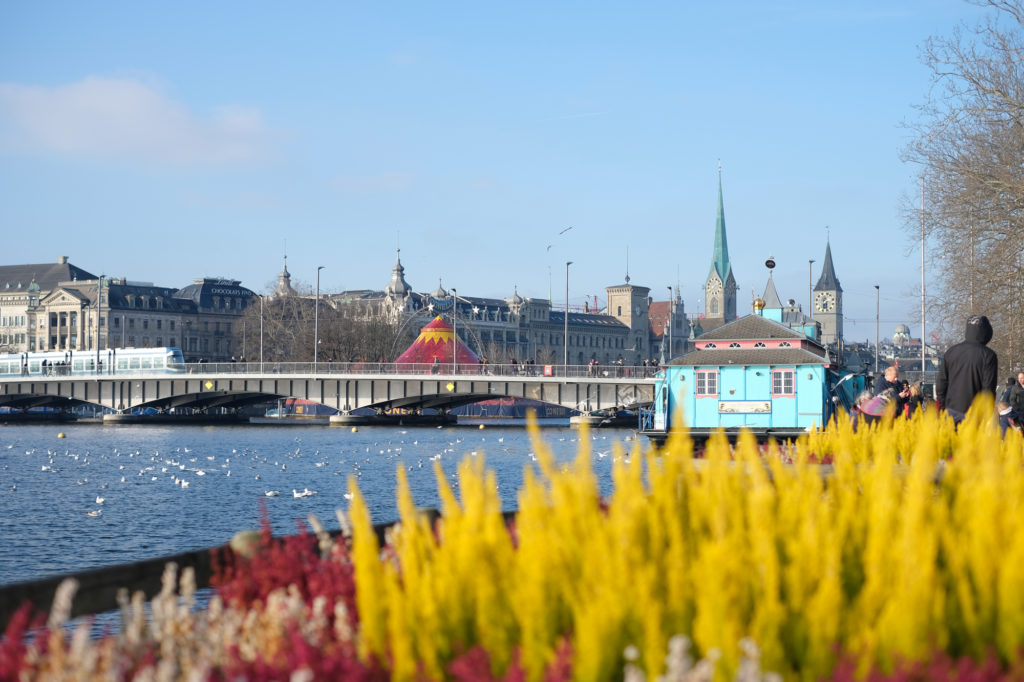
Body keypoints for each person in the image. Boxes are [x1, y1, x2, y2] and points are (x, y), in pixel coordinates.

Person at [935, 315, 999, 423]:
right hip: (974, 414)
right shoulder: (988, 355)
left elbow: (941, 383)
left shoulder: (951, 352)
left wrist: (944, 405)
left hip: (951, 410)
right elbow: (988, 389)